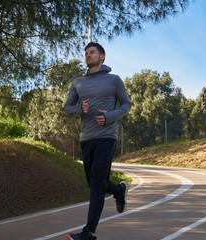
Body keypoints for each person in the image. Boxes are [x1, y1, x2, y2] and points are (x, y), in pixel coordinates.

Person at [64, 42, 132, 240]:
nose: (88, 55)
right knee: (95, 183)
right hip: (86, 138)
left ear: (102, 57)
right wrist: (79, 110)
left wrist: (110, 116)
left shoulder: (114, 80)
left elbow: (126, 104)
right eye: (86, 53)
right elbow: (67, 108)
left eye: (92, 52)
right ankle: (119, 191)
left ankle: (89, 233)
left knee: (96, 181)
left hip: (106, 136)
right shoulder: (78, 82)